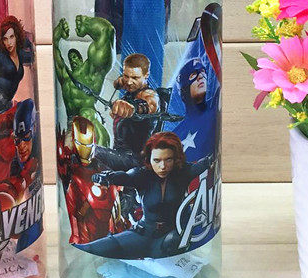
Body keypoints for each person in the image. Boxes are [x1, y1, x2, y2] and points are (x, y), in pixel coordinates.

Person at [74, 132, 212, 259]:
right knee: (93, 248)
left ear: (175, 159)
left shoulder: (183, 172)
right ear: (149, 159)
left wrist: (210, 160)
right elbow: (125, 177)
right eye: (157, 160)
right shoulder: (142, 174)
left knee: (170, 249)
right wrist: (107, 178)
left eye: (168, 160)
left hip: (169, 238)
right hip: (142, 234)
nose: (162, 166)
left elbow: (202, 165)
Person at [59, 117, 125, 245]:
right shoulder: (68, 161)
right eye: (81, 144)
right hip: (82, 204)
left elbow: (116, 172)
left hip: (102, 203)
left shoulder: (101, 159)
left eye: (88, 145)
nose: (85, 149)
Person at [53, 15, 115, 146]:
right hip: (71, 124)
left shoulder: (89, 73)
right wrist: (56, 37)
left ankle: (102, 153)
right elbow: (57, 57)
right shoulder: (65, 78)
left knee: (86, 113)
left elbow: (106, 30)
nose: (73, 60)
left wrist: (86, 24)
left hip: (89, 120)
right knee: (66, 154)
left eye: (75, 57)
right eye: (70, 58)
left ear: (82, 59)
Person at [93, 53, 160, 171]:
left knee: (89, 150)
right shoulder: (130, 87)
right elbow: (121, 82)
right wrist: (119, 82)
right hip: (118, 155)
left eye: (135, 78)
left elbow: (149, 105)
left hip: (135, 162)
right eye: (126, 76)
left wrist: (132, 108)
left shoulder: (150, 95)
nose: (129, 82)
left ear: (146, 75)